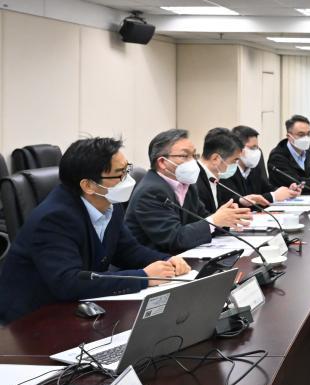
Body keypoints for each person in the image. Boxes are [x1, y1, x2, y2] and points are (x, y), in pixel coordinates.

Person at [0, 138, 190, 324]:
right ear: (88, 185)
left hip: (78, 307)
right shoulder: (54, 219)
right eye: (120, 174)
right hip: (32, 321)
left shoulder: (110, 204)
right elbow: (68, 282)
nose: (128, 179)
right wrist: (144, 277)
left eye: (127, 170)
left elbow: (128, 250)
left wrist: (166, 261)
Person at [125, 129, 251, 254]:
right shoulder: (151, 191)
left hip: (181, 257)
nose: (192, 161)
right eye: (185, 156)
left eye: (194, 155)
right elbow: (174, 239)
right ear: (162, 162)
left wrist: (227, 217)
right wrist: (214, 220)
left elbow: (202, 219)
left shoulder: (187, 185)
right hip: (153, 262)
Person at [195, 128, 270, 213]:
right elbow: (201, 217)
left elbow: (219, 204)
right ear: (215, 159)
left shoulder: (214, 175)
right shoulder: (194, 181)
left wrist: (240, 201)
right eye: (235, 160)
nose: (236, 164)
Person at [222, 125, 300, 205]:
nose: (257, 152)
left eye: (257, 147)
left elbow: (266, 188)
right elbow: (236, 201)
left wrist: (287, 192)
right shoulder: (228, 171)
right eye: (252, 148)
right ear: (238, 150)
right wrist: (273, 196)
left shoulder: (254, 167)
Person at [267, 114, 310, 192]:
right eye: (301, 135)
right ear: (289, 137)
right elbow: (296, 182)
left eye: (308, 134)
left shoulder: (308, 151)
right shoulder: (277, 157)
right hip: (288, 198)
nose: (306, 138)